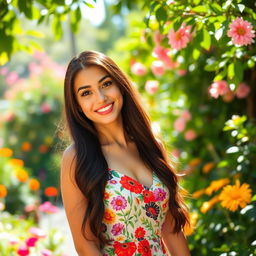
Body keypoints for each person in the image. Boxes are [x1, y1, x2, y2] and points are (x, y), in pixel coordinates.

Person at [60, 50, 191, 256]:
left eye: (106, 84)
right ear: (77, 105)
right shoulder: (76, 158)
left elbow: (172, 229)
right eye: (86, 93)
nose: (101, 98)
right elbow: (85, 245)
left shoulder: (151, 145)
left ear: (120, 85)